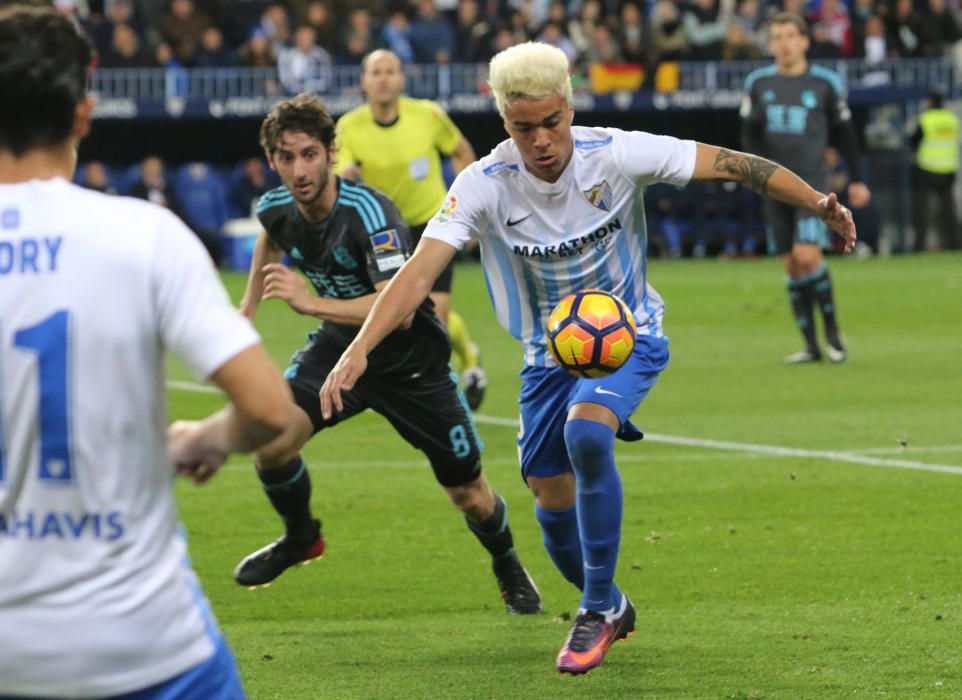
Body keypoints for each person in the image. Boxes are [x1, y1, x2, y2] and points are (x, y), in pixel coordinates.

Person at [319, 41, 857, 675]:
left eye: (553, 122)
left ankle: (596, 608)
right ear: (504, 122)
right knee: (549, 497)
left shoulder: (618, 153)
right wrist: (358, 349)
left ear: (570, 107)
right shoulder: (485, 184)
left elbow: (736, 164)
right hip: (548, 355)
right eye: (524, 128)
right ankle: (610, 601)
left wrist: (817, 202)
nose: (542, 139)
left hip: (631, 332)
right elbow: (416, 274)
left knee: (587, 433)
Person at [0, 6, 305, 698]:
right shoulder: (143, 235)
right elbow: (268, 409)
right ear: (82, 114)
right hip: (141, 645)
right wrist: (206, 435)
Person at [232, 94, 543, 616]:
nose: (299, 169)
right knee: (271, 436)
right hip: (337, 350)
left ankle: (506, 559)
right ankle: (302, 536)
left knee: (469, 493)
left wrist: (311, 302)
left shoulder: (371, 214)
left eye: (309, 154)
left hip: (411, 364)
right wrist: (248, 306)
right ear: (272, 162)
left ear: (331, 153)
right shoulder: (276, 208)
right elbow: (270, 233)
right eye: (286, 158)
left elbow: (397, 310)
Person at [334, 49, 488, 410]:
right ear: (364, 81)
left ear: (402, 79)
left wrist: (468, 207)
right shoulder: (349, 126)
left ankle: (443, 391)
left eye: (391, 71)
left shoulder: (428, 115)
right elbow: (337, 169)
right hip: (380, 232)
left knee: (434, 315)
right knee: (398, 315)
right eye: (376, 72)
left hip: (431, 226)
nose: (384, 78)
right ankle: (467, 352)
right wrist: (343, 175)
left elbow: (462, 151)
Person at [741, 13, 871, 364]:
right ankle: (811, 345)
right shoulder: (758, 83)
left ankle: (832, 332)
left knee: (808, 256)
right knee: (792, 265)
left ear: (804, 41)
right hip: (773, 187)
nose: (784, 44)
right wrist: (751, 176)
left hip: (814, 188)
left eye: (790, 36)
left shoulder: (824, 83)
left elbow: (846, 136)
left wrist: (857, 179)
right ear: (770, 45)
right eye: (777, 37)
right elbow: (749, 136)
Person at [908, 90, 961, 252]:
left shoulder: (925, 119)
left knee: (922, 211)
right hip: (949, 169)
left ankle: (919, 247)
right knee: (949, 212)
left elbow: (913, 142)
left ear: (930, 102)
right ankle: (955, 245)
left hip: (927, 169)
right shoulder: (952, 120)